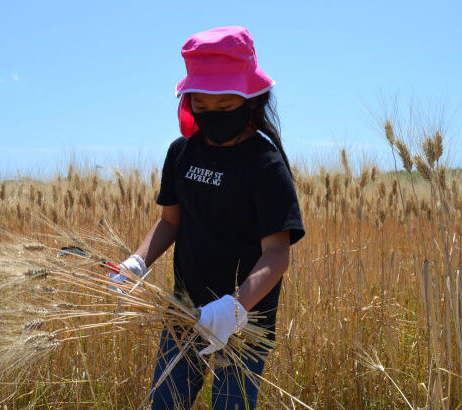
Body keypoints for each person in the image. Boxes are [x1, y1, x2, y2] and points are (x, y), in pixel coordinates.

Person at [110, 26, 305, 409]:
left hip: (246, 321)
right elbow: (170, 222)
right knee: (165, 404)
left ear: (252, 100)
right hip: (184, 311)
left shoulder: (265, 165)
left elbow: (277, 254)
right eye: (201, 105)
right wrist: (137, 261)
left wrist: (233, 308)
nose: (212, 115)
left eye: (225, 107)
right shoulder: (181, 154)